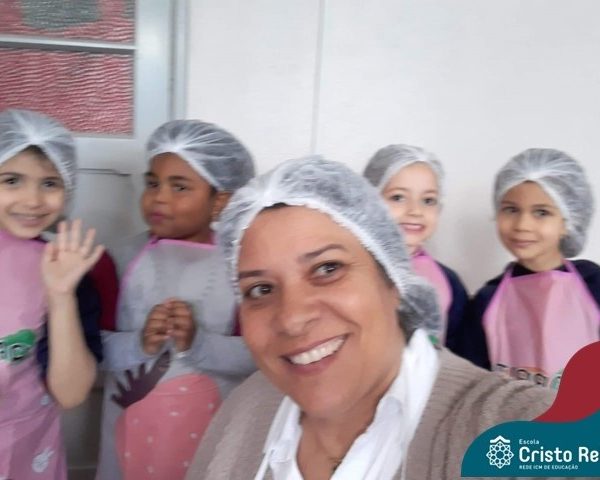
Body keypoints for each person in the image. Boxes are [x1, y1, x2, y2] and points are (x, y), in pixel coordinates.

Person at [185, 156, 556, 480]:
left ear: (392, 281)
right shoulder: (243, 412)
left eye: (327, 268)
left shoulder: (516, 430)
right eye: (261, 289)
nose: (292, 318)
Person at [96, 119, 258, 480]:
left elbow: (258, 357)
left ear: (220, 201)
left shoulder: (245, 267)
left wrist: (198, 343)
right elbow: (93, 350)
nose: (159, 197)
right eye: (152, 183)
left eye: (179, 186)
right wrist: (139, 344)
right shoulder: (116, 260)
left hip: (211, 432)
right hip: (130, 429)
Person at [0, 109, 105, 480]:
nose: (32, 200)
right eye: (12, 180)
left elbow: (71, 393)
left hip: (25, 447)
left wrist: (61, 295)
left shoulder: (65, 268)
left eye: (49, 183)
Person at [459, 148, 600, 388]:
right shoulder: (486, 300)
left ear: (568, 221)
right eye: (511, 209)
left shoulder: (594, 285)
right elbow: (472, 386)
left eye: (541, 212)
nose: (522, 225)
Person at [363, 144, 468, 348]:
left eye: (428, 200)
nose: (415, 211)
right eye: (398, 197)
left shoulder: (449, 282)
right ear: (367, 200)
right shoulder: (345, 270)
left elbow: (457, 355)